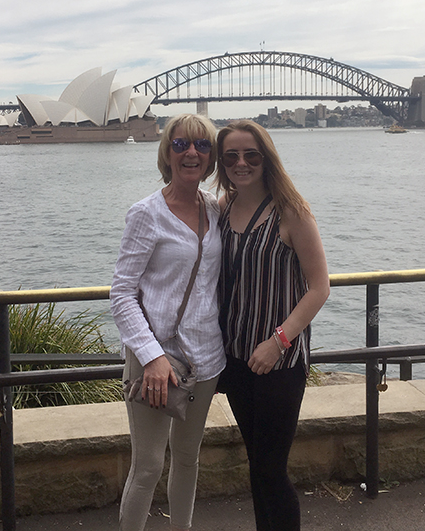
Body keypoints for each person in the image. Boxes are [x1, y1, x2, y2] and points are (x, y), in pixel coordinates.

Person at [110, 113, 225, 531]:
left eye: (201, 145)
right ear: (167, 153)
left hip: (205, 359)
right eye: (180, 145)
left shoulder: (215, 210)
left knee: (189, 459)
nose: (191, 152)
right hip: (154, 362)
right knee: (148, 466)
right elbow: (121, 293)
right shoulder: (146, 213)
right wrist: (152, 356)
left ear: (211, 157)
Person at [215, 120, 329, 531]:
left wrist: (278, 341)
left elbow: (319, 287)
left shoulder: (291, 212)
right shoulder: (224, 208)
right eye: (231, 155)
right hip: (236, 359)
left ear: (266, 159)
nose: (241, 163)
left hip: (278, 364)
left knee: (272, 467)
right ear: (221, 161)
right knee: (256, 462)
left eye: (251, 155)